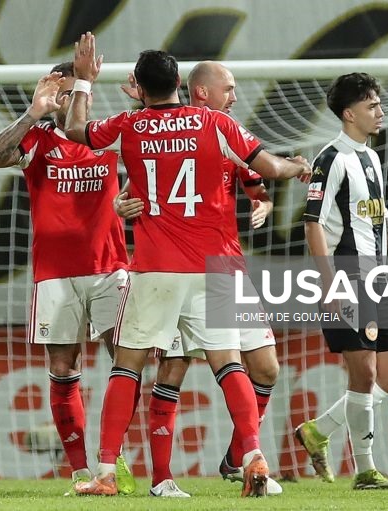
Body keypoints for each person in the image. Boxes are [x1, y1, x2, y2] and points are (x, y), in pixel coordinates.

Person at [65, 33, 310, 498]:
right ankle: (254, 457)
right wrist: (296, 168)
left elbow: (76, 132)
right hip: (215, 265)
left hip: (156, 267)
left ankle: (103, 473)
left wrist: (83, 82)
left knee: (128, 365)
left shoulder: (129, 126)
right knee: (228, 362)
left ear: (138, 87)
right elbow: (270, 169)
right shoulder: (216, 123)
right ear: (182, 82)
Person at [116, 61, 282, 495]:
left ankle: (239, 456)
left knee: (265, 367)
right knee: (174, 367)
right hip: (188, 266)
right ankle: (164, 477)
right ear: (201, 92)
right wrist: (121, 204)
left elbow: (254, 179)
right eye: (229, 87)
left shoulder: (224, 131)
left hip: (225, 268)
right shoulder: (202, 128)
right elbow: (137, 189)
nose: (236, 95)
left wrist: (262, 200)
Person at [0, 62, 136, 496]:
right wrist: (32, 112)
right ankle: (80, 471)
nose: (65, 101)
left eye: (72, 93)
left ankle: (113, 457)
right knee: (62, 368)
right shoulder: (37, 138)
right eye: (59, 93)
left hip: (110, 268)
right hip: (55, 274)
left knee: (127, 363)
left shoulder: (107, 136)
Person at [297, 72, 388, 489]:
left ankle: (317, 432)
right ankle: (365, 470)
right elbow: (312, 225)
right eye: (372, 106)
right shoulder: (329, 159)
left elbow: (378, 215)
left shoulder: (371, 157)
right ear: (349, 114)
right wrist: (329, 283)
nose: (381, 111)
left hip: (378, 276)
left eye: (379, 104)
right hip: (346, 274)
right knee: (364, 373)